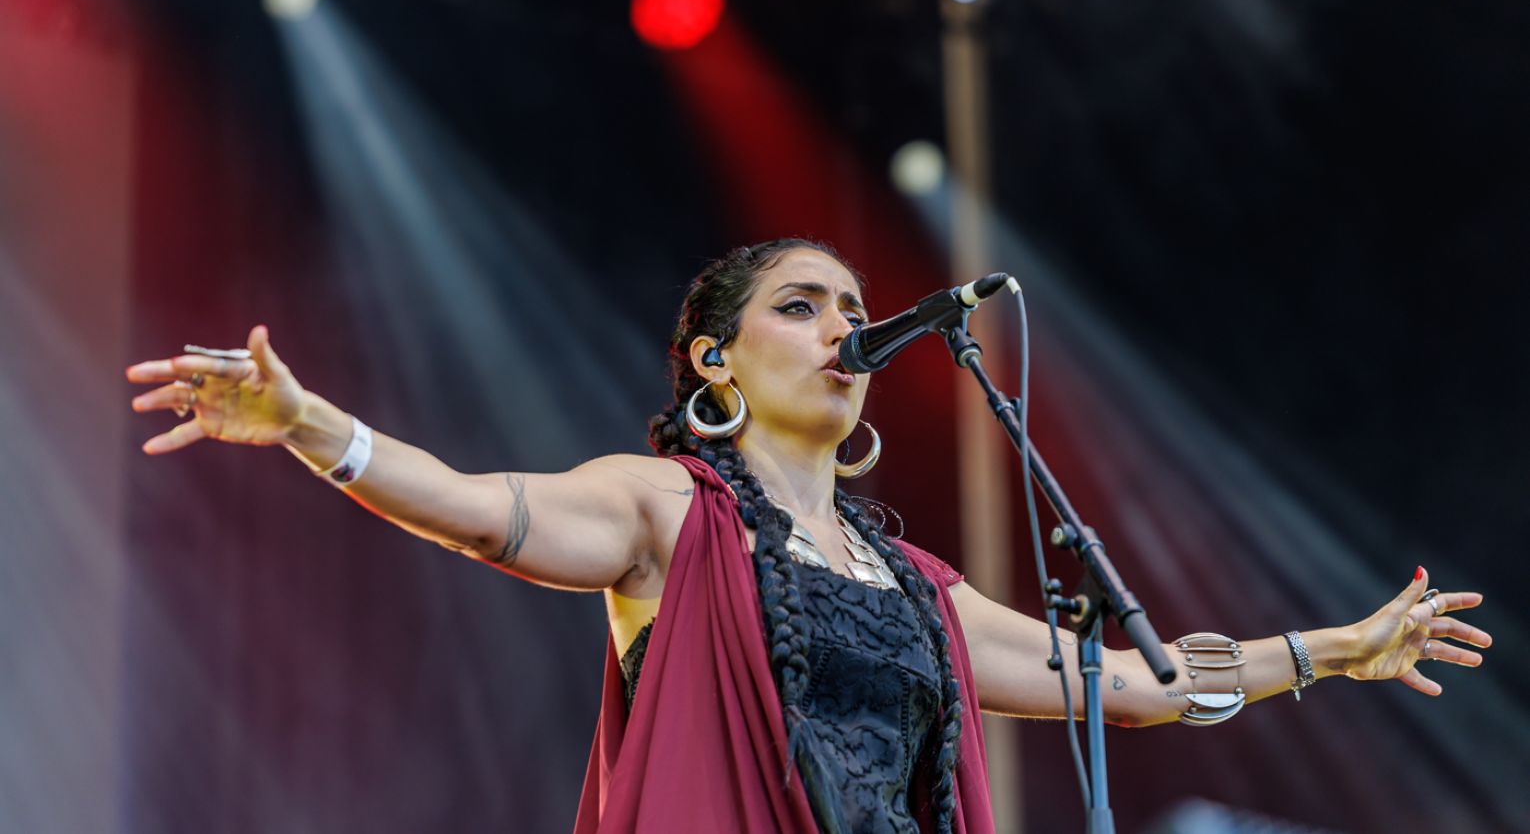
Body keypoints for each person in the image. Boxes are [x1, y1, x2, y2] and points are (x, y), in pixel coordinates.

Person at [126, 238, 1492, 834]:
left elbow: (1129, 687)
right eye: (801, 304)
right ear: (716, 365)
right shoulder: (667, 511)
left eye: (851, 304)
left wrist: (1332, 651)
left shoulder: (916, 588)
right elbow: (482, 512)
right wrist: (313, 426)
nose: (845, 323)